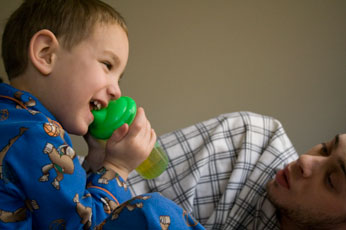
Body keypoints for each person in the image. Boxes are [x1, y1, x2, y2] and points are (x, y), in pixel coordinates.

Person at [0, 0, 205, 229]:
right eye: (107, 65)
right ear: (46, 53)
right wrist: (117, 167)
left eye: (118, 78)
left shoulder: (13, 120)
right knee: (152, 212)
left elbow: (61, 206)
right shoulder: (36, 133)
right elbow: (86, 224)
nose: (116, 91)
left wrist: (97, 161)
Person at [126, 112, 346, 230]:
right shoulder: (247, 143)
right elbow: (106, 203)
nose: (306, 161)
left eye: (331, 180)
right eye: (325, 148)